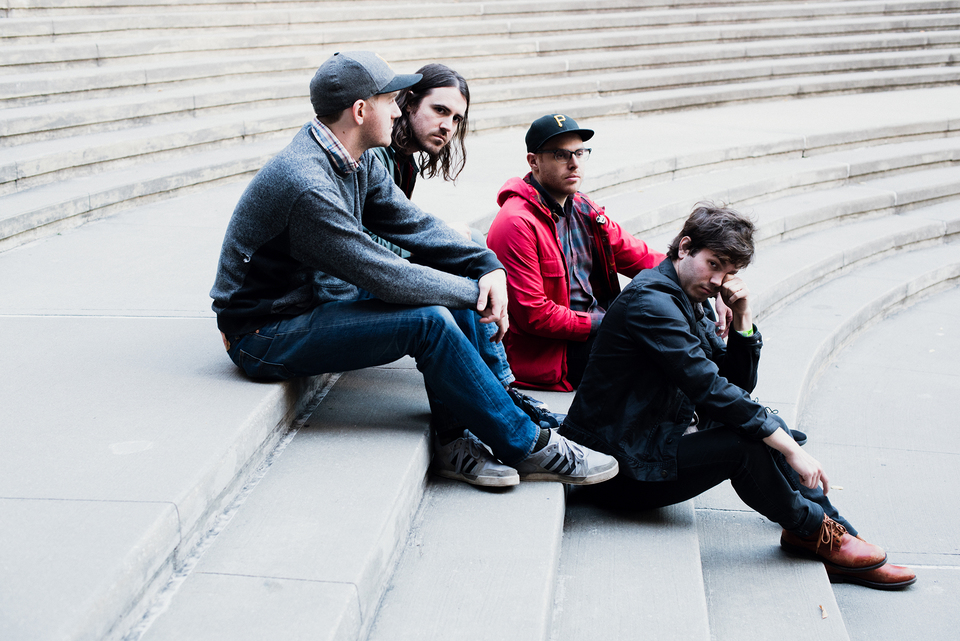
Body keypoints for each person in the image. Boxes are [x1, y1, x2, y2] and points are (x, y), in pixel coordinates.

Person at [209, 51, 619, 489]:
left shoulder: (355, 156)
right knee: (430, 320)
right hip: (263, 334)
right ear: (361, 110)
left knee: (451, 296)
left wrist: (485, 266)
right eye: (391, 100)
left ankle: (454, 438)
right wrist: (475, 293)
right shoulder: (307, 184)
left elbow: (412, 224)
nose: (399, 108)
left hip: (307, 305)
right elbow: (382, 273)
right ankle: (527, 446)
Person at [559, 203, 916, 590]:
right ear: (684, 248)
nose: (719, 281)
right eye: (714, 264)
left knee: (767, 425)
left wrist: (743, 318)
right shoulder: (652, 303)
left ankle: (838, 532)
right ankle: (814, 533)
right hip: (618, 469)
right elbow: (709, 387)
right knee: (744, 445)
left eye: (729, 272)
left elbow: (737, 385)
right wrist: (788, 448)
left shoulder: (688, 296)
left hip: (651, 440)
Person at [366, 63, 559, 432]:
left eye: (456, 119)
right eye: (440, 111)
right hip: (348, 283)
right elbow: (362, 246)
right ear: (408, 104)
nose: (447, 127)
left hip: (370, 273)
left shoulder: (402, 160)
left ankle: (500, 387)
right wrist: (439, 249)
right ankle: (498, 390)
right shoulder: (376, 155)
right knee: (457, 263)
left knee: (467, 244)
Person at [486, 114, 666, 391]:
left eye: (580, 153)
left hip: (594, 331)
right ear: (533, 161)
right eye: (561, 154)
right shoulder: (516, 223)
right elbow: (536, 316)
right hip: (555, 355)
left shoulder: (583, 208)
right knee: (662, 353)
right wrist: (613, 322)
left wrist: (710, 280)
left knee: (682, 314)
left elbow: (641, 257)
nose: (574, 163)